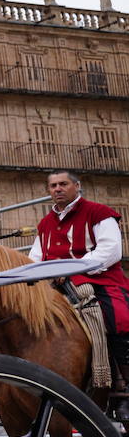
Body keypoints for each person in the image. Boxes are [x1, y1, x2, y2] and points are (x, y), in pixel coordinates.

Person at [30, 169, 129, 417]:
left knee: (119, 319)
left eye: (63, 184)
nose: (57, 189)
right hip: (53, 282)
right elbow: (35, 258)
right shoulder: (45, 224)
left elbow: (111, 251)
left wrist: (72, 268)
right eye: (53, 186)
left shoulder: (99, 213)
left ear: (77, 186)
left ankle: (124, 389)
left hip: (99, 280)